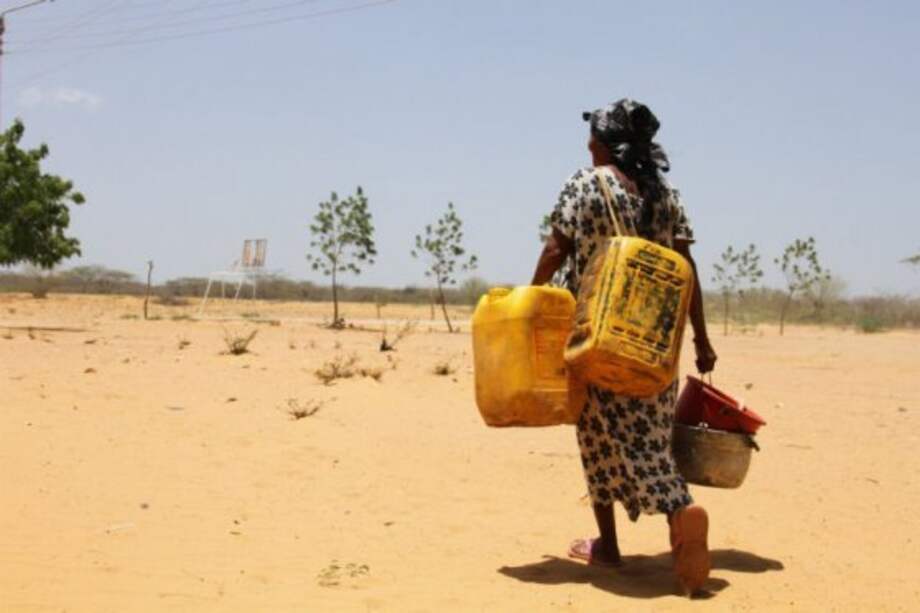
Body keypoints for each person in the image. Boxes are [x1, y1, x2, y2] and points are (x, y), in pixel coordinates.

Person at [531, 99, 718, 593]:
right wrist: (701, 337)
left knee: (597, 440)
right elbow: (688, 271)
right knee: (651, 440)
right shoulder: (666, 192)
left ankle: (619, 538)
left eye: (592, 135)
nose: (586, 143)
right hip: (655, 344)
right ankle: (674, 513)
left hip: (594, 338)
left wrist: (531, 305)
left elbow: (555, 249)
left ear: (604, 143)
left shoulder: (584, 185)